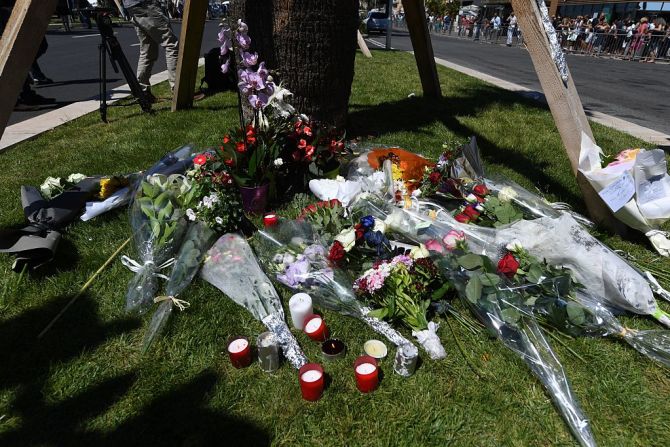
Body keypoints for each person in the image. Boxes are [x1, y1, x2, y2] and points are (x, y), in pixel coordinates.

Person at [121, 0, 179, 100]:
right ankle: (178, 88)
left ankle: (143, 93)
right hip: (146, 4)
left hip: (132, 7)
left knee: (147, 50)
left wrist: (122, 8)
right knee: (171, 45)